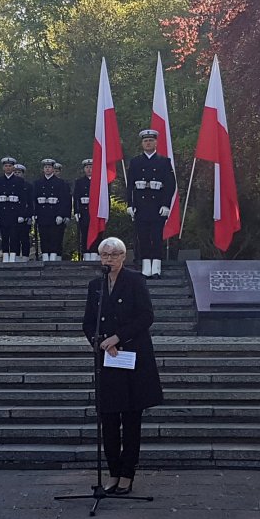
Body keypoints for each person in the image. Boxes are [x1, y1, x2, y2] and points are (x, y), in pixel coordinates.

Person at [82, 237, 163, 495]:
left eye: (113, 255)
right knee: (108, 418)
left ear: (123, 257)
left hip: (133, 357)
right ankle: (113, 471)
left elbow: (146, 315)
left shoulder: (136, 280)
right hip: (108, 359)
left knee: (130, 419)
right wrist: (101, 342)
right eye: (104, 255)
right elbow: (88, 322)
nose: (108, 260)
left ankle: (128, 473)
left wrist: (118, 337)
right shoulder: (95, 286)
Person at [127, 129, 175, 278]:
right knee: (143, 236)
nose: (148, 143)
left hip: (157, 204)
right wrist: (130, 204)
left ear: (156, 142)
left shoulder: (164, 161)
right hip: (141, 205)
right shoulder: (135, 162)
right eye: (145, 141)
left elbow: (170, 185)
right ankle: (146, 267)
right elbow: (129, 185)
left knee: (156, 235)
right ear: (142, 143)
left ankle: (157, 267)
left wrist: (166, 204)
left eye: (151, 140)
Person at [32, 158, 71, 261]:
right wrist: (34, 213)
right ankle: (45, 256)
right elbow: (34, 200)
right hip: (42, 214)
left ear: (53, 169)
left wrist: (61, 215)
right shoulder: (37, 183)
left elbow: (64, 200)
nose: (47, 169)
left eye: (49, 167)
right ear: (43, 169)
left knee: (54, 237)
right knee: (44, 237)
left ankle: (53, 258)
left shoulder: (60, 183)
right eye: (46, 167)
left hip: (54, 214)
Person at [73, 159, 98, 261]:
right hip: (84, 212)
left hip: (96, 212)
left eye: (91, 167)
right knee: (85, 234)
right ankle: (86, 254)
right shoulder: (79, 182)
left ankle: (95, 253)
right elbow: (76, 198)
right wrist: (76, 212)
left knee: (96, 234)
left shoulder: (99, 180)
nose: (89, 169)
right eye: (87, 167)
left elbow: (105, 197)